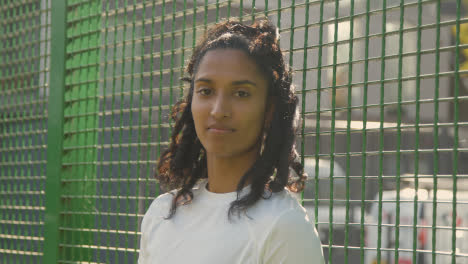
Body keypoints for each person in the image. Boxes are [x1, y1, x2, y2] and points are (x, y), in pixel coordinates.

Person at [138, 18, 325, 264]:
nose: (218, 110)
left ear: (269, 109)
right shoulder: (162, 213)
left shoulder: (283, 225)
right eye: (206, 91)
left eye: (241, 93)